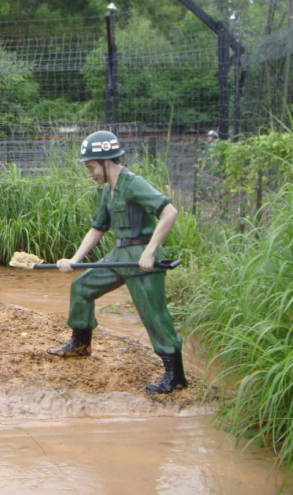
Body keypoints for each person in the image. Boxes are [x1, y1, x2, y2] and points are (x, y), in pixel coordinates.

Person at [46, 130, 187, 394]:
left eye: (91, 167)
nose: (90, 173)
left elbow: (169, 212)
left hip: (141, 260)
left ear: (106, 162)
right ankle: (80, 345)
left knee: (154, 315)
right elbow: (97, 228)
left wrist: (150, 251)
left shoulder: (134, 183)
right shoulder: (107, 192)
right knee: (82, 288)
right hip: (119, 256)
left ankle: (175, 375)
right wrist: (75, 259)